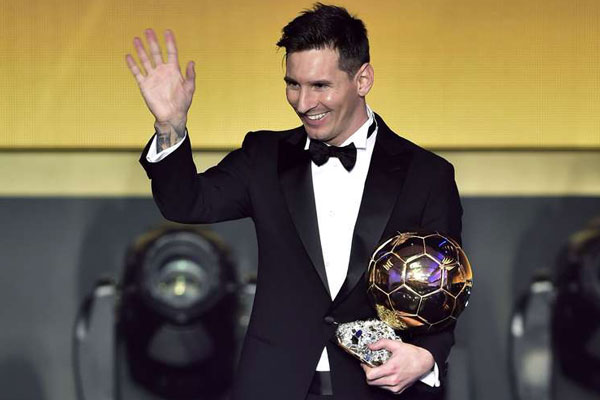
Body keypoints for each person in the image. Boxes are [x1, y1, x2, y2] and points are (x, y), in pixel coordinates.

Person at [126, 4, 462, 399]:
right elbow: (186, 204)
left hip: (379, 388)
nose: (304, 103)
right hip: (273, 384)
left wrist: (426, 357)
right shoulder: (264, 156)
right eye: (293, 85)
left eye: (320, 86)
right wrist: (170, 126)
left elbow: (446, 287)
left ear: (363, 79)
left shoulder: (427, 175)